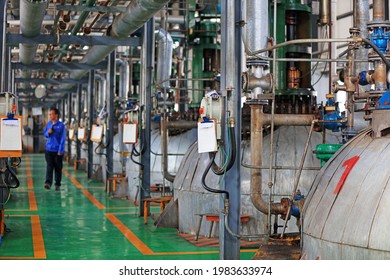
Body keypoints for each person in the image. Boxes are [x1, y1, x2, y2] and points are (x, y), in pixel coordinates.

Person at [43, 107, 66, 191]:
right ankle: (48, 183)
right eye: (49, 114)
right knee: (49, 166)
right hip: (49, 149)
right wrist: (48, 133)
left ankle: (57, 184)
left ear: (56, 115)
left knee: (58, 168)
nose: (50, 115)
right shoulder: (49, 124)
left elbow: (62, 139)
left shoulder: (61, 126)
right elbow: (45, 134)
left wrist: (60, 150)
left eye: (51, 114)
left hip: (57, 151)